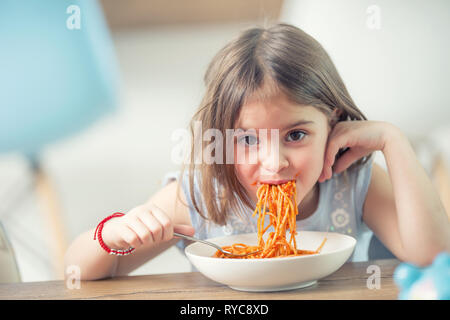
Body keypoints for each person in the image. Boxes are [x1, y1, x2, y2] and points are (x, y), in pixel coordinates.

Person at [64, 23, 450, 280]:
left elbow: (431, 255)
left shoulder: (353, 183)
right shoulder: (203, 195)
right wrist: (111, 234)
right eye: (248, 140)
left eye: (296, 135)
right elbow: (76, 272)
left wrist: (392, 140)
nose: (273, 162)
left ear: (333, 123)